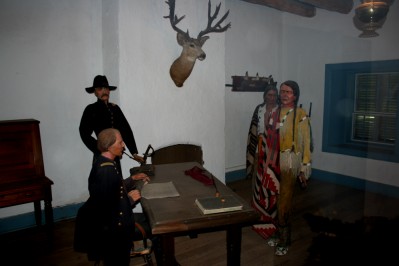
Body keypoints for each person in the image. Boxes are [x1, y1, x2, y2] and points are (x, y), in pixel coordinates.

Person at [74, 128, 152, 265]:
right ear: (109, 147)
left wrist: (132, 179)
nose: (123, 146)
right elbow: (108, 208)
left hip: (111, 224)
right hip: (114, 232)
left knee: (149, 219)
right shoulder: (106, 171)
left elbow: (113, 189)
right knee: (154, 227)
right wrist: (130, 199)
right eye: (120, 142)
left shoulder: (104, 161)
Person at [268, 80, 312, 256]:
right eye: (282, 91)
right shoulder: (275, 112)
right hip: (273, 159)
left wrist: (304, 167)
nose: (284, 94)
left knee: (284, 201)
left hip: (289, 160)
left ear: (295, 95)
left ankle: (285, 239)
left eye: (288, 92)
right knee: (274, 198)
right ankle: (278, 231)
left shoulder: (300, 114)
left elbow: (307, 142)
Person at [79, 75, 144, 171]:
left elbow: (126, 130)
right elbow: (84, 133)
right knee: (104, 181)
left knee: (117, 182)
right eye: (100, 89)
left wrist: (133, 152)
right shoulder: (91, 109)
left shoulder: (115, 108)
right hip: (102, 156)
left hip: (116, 154)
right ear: (95, 92)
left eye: (106, 88)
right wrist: (101, 149)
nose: (104, 91)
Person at [247, 82, 281, 241]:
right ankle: (257, 207)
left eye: (274, 95)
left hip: (273, 151)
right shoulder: (259, 109)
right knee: (257, 179)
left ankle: (270, 210)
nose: (272, 98)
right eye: (269, 95)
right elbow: (254, 128)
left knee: (269, 179)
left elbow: (280, 132)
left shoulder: (280, 111)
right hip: (259, 148)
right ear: (265, 96)